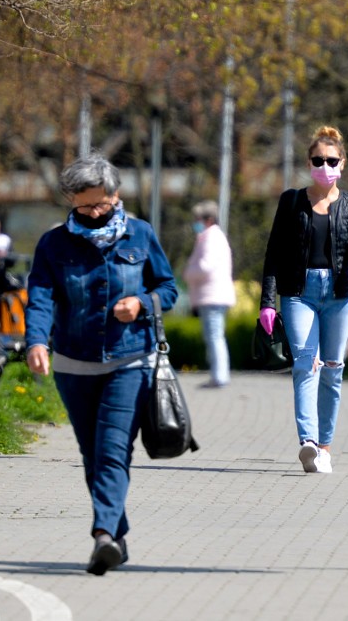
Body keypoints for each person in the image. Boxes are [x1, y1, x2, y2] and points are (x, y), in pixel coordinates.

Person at [24, 154, 177, 575]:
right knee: (92, 455)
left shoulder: (140, 235)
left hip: (131, 360)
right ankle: (117, 533)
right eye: (85, 206)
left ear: (116, 195)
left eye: (102, 204)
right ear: (71, 200)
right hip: (74, 365)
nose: (94, 213)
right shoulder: (54, 243)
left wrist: (143, 303)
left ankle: (103, 535)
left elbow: (169, 287)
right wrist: (36, 340)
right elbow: (39, 296)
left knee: (112, 451)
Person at [259, 125, 348, 474]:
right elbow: (274, 253)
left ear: (343, 163)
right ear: (309, 162)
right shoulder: (292, 201)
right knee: (305, 364)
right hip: (299, 292)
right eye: (318, 160)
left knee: (333, 370)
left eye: (331, 160)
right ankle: (307, 442)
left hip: (339, 294)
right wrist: (267, 301)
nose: (325, 166)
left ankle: (325, 447)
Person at [182, 200, 236, 388]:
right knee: (213, 335)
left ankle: (219, 375)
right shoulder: (209, 237)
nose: (195, 222)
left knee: (214, 336)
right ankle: (217, 374)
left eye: (198, 219)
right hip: (211, 295)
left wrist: (188, 273)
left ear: (209, 219)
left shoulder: (212, 238)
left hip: (213, 295)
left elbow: (206, 266)